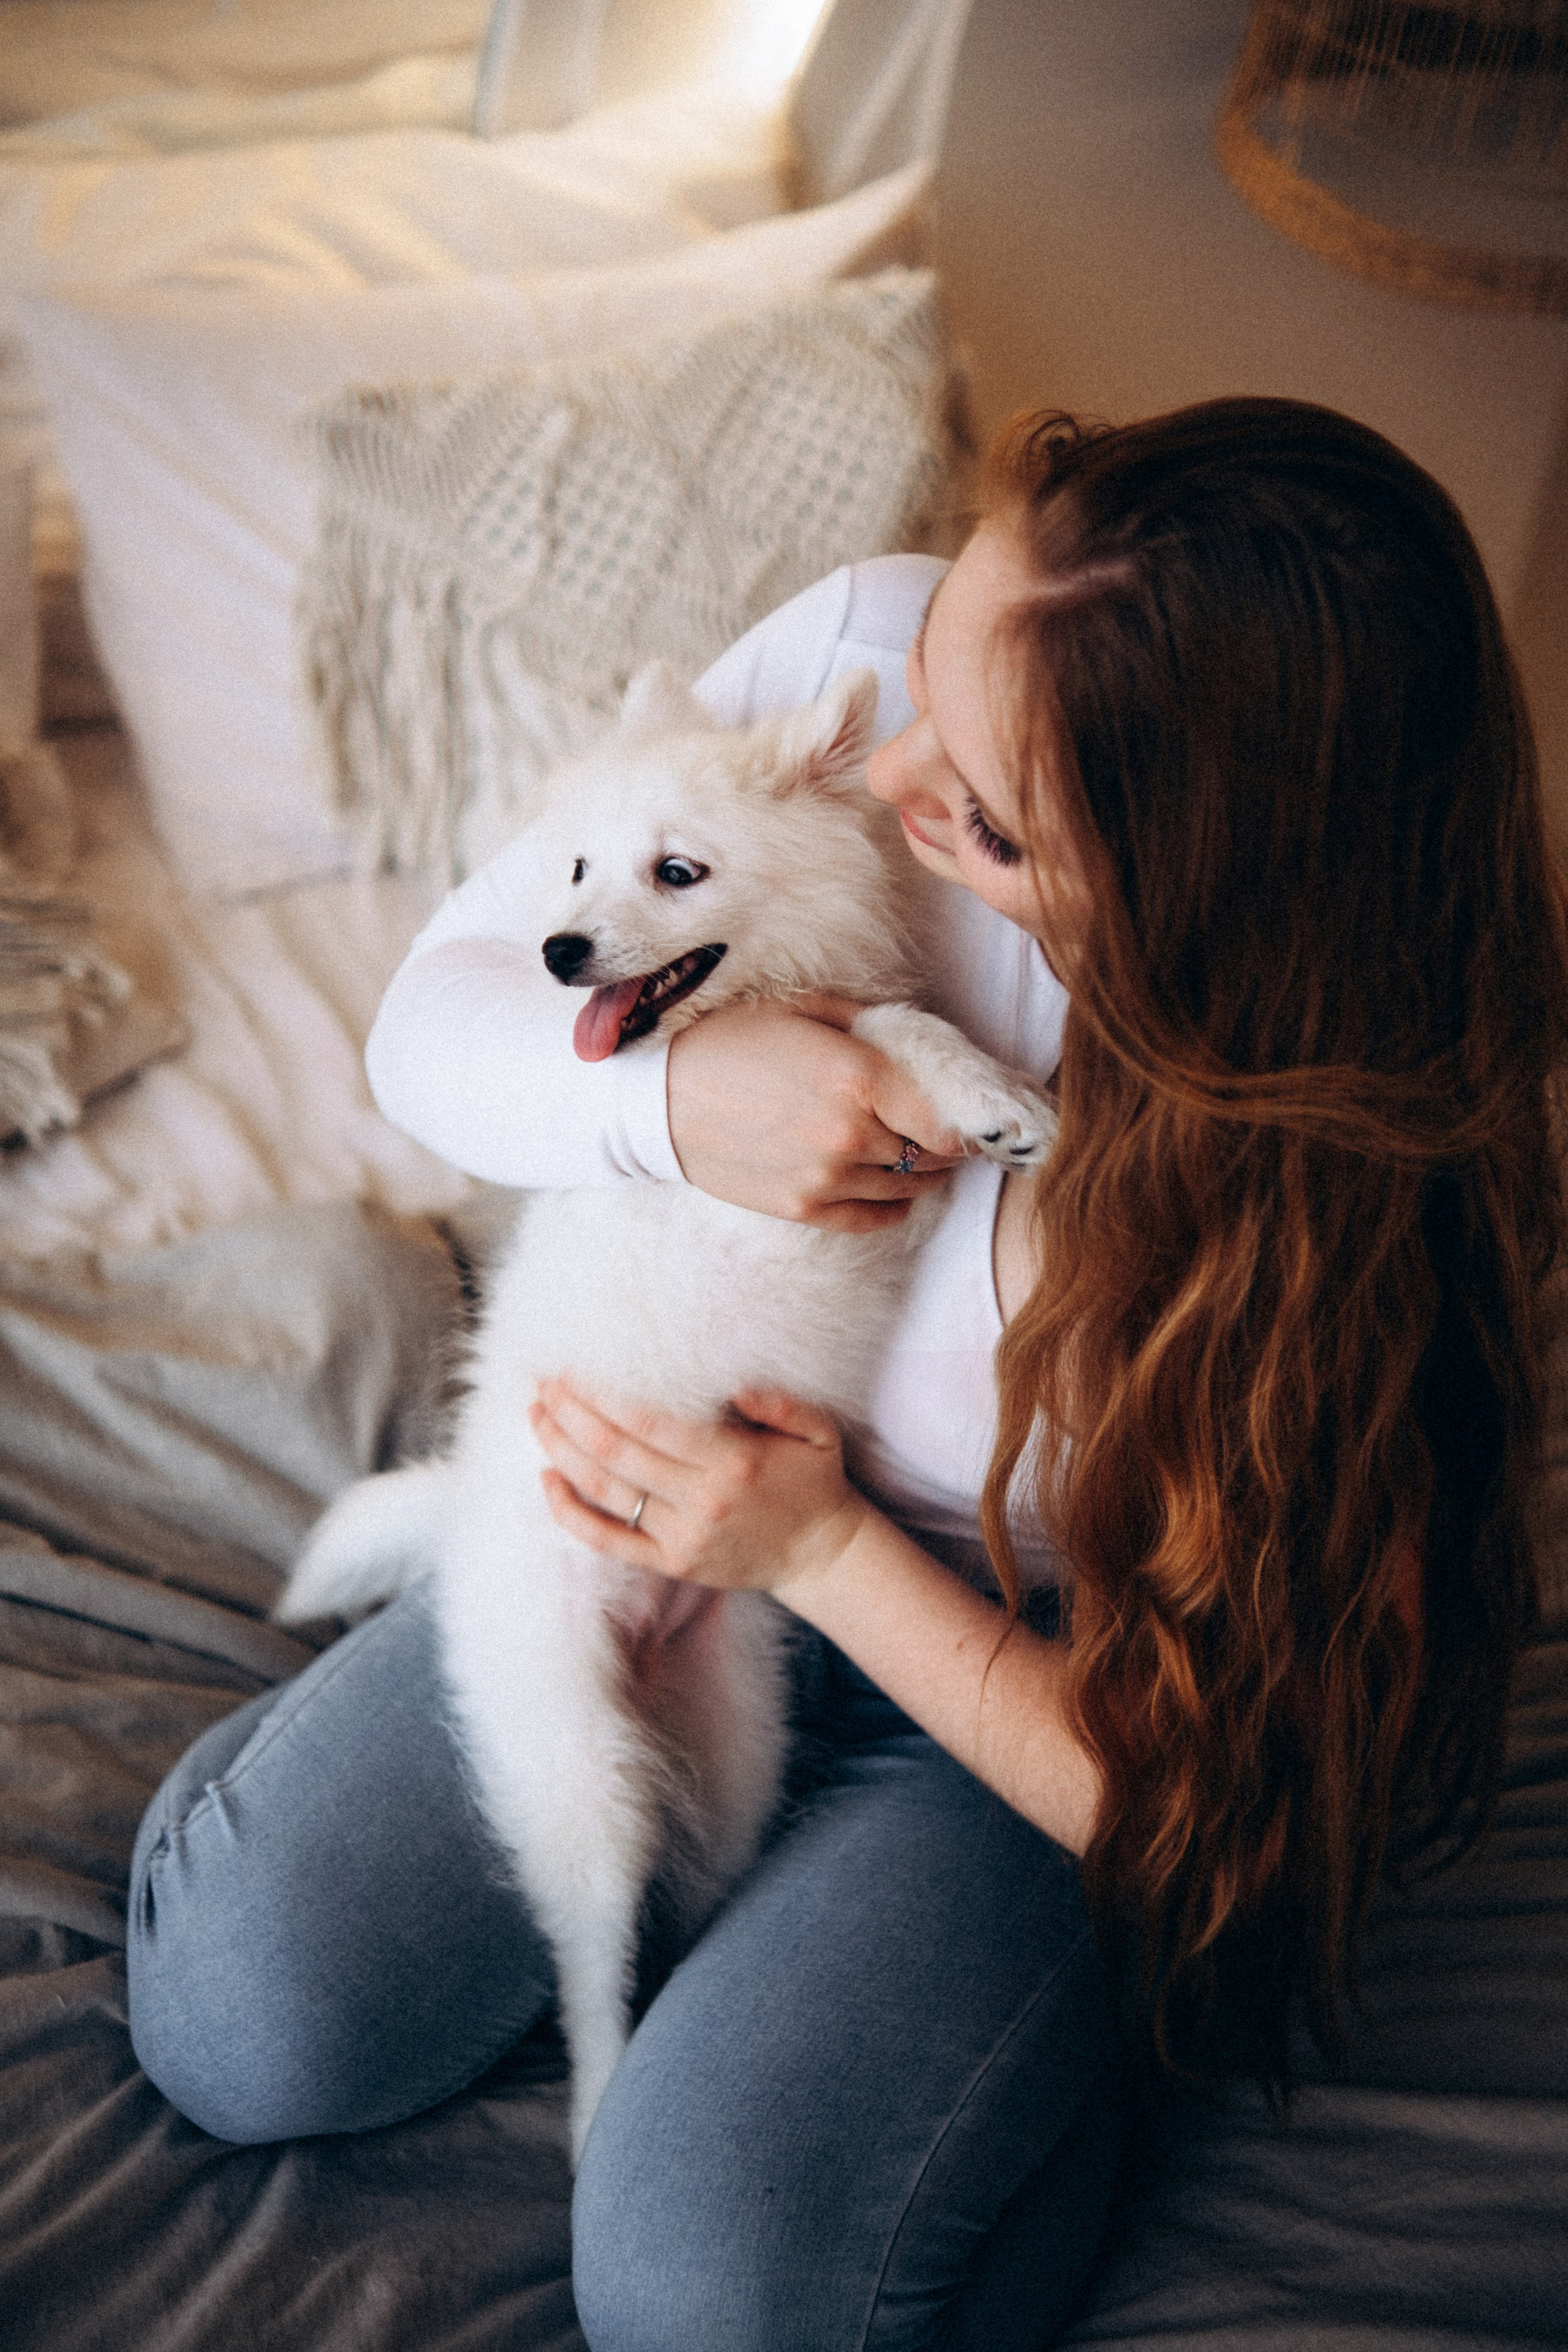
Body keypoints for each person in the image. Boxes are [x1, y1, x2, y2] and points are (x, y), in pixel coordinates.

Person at [126, 398, 1567, 2352]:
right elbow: (440, 1024)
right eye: (922, 682)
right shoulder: (875, 661)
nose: (878, 769)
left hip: (1021, 1685)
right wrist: (672, 1093)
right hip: (668, 1492)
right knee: (242, 2012)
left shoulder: (1364, 1201)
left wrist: (814, 1557)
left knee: (716, 2293)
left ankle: (1056, 2052)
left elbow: (1180, 1783)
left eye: (975, 809)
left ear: (1185, 898)